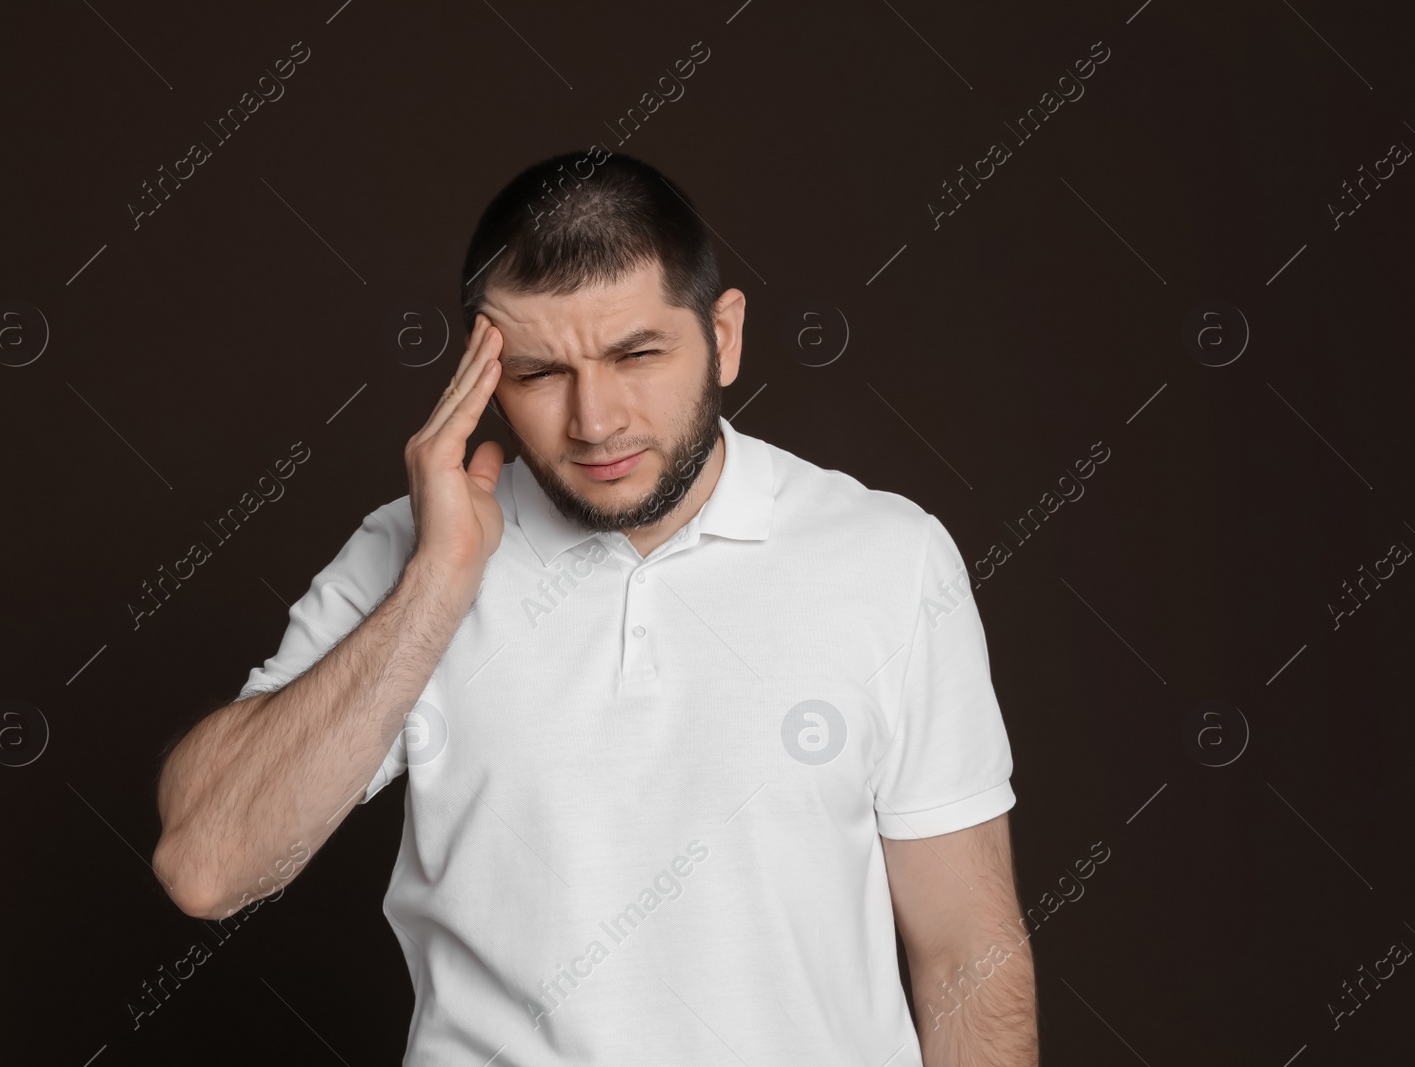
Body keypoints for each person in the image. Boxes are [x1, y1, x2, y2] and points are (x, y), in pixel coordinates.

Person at [152, 150, 1037, 1065]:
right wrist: (436, 584)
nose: (596, 421)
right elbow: (206, 865)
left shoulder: (889, 557)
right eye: (538, 373)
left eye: (637, 354)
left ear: (724, 336)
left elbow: (967, 951)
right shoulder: (409, 550)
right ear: (481, 378)